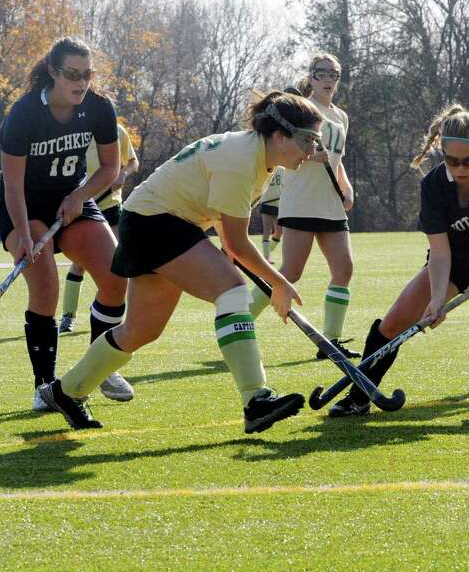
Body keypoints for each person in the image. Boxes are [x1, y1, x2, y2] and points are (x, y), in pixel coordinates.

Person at [39, 90, 323, 431]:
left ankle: (65, 390)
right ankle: (255, 398)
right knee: (233, 291)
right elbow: (236, 241)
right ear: (280, 135)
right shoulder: (243, 158)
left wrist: (229, 261)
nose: (312, 151)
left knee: (141, 330)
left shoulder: (259, 158)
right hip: (156, 220)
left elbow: (224, 224)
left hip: (155, 219)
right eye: (309, 140)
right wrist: (280, 282)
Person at [328, 104, 469, 417]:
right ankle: (360, 395)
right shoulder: (433, 186)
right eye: (452, 161)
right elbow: (439, 252)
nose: (461, 168)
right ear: (442, 151)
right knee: (394, 322)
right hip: (454, 265)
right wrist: (436, 300)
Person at [0, 36, 132, 410]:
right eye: (73, 74)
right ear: (53, 72)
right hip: (23, 206)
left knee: (117, 274)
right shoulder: (24, 114)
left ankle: (98, 367)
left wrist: (79, 196)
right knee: (46, 287)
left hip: (71, 201)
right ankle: (45, 386)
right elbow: (12, 184)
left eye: (87, 74)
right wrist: (23, 235)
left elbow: (110, 167)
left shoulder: (99, 108)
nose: (82, 82)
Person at [250, 54, 357, 359]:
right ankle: (239, 320)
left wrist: (346, 187)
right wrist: (311, 155)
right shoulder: (301, 110)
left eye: (333, 75)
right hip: (301, 199)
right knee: (290, 272)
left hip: (330, 202)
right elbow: (285, 149)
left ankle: (331, 343)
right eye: (321, 74)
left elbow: (337, 159)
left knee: (344, 269)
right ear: (310, 78)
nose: (327, 80)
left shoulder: (341, 117)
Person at [59, 121, 139, 334]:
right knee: (79, 264)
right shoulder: (76, 131)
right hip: (83, 204)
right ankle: (68, 316)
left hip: (110, 205)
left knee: (116, 263)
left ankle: (108, 310)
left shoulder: (116, 131)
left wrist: (123, 174)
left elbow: (133, 162)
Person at [256, 165, 283, 262]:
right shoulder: (265, 168)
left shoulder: (282, 170)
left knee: (279, 231)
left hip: (278, 204)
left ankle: (266, 252)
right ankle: (266, 257)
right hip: (266, 203)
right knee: (267, 229)